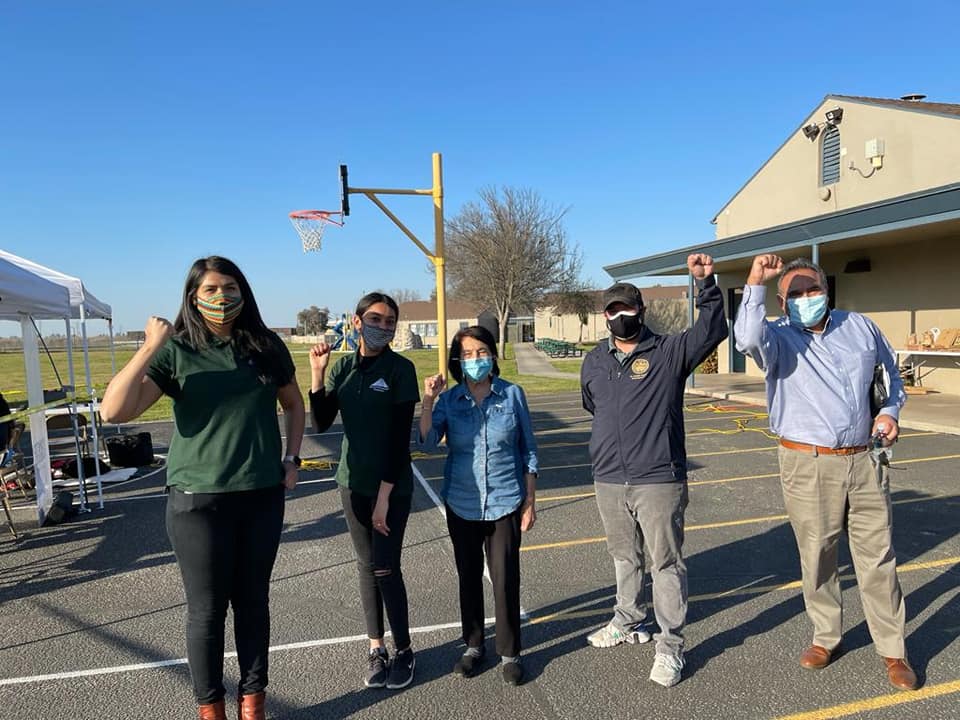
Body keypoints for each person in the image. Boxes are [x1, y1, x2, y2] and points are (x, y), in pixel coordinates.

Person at [100, 256, 304, 720]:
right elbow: (114, 412)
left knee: (253, 603)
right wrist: (150, 346)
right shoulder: (178, 351)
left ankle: (253, 704)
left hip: (259, 495)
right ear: (192, 297)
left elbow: (293, 404)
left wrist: (291, 458)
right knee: (207, 612)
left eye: (229, 287)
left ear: (243, 291)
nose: (221, 297)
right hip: (197, 500)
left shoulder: (266, 344)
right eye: (209, 289)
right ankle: (210, 710)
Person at [733, 254, 917, 691]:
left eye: (812, 289)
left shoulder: (861, 327)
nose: (805, 298)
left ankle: (893, 651)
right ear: (781, 302)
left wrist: (889, 413)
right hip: (808, 461)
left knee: (878, 557)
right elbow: (744, 338)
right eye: (794, 294)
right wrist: (756, 280)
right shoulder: (775, 339)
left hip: (866, 458)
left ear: (827, 290)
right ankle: (826, 635)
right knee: (818, 555)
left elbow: (890, 377)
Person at [580, 253, 727, 688]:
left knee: (665, 564)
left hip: (658, 479)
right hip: (608, 478)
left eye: (627, 308)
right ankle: (626, 620)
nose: (620, 315)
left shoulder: (669, 352)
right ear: (605, 316)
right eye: (613, 310)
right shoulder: (594, 361)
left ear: (640, 310)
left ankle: (670, 647)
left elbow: (712, 329)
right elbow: (594, 406)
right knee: (625, 557)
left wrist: (708, 285)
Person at [309, 292, 420, 691]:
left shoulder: (400, 370)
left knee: (386, 568)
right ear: (357, 322)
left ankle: (405, 650)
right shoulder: (343, 369)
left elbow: (398, 440)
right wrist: (318, 375)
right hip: (352, 483)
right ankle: (377, 648)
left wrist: (385, 497)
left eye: (391, 321)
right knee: (365, 566)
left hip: (391, 487)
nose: (384, 327)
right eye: (376, 319)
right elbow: (321, 422)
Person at [418, 326, 538, 686]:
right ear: (458, 360)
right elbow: (426, 443)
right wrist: (428, 400)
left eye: (481, 351)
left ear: (493, 355)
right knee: (468, 577)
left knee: (505, 580)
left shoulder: (512, 395)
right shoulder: (451, 401)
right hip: (462, 503)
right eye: (467, 354)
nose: (475, 359)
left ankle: (510, 652)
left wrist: (529, 502)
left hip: (504, 502)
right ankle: (473, 646)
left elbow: (528, 450)